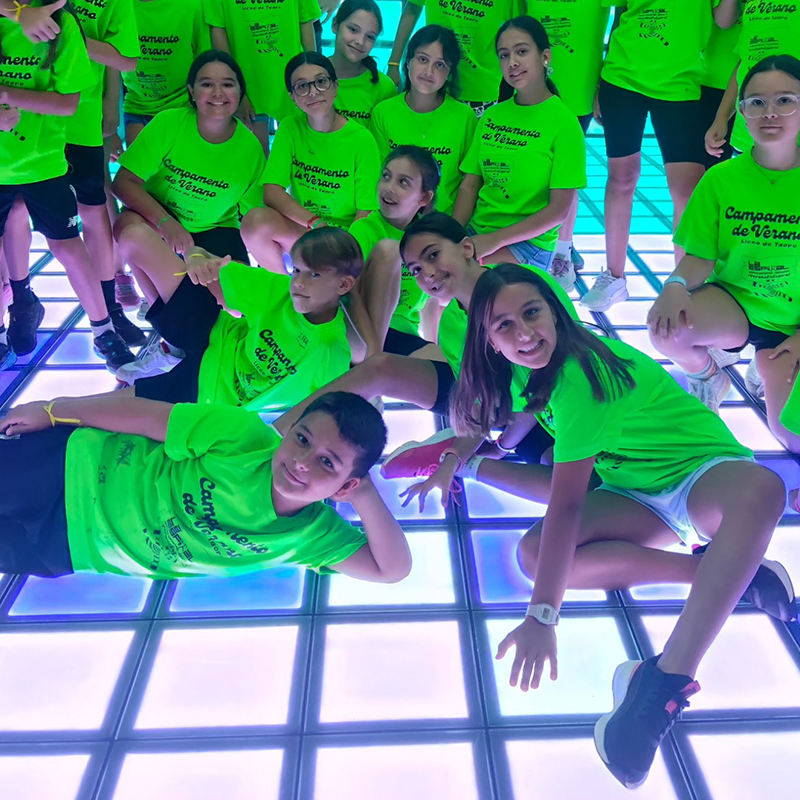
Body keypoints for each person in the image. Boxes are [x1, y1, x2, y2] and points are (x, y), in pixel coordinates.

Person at [449, 262, 794, 788]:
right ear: (490, 341)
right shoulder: (524, 371)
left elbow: (566, 505)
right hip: (631, 492)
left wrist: (543, 615)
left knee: (764, 489)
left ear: (555, 312)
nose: (523, 333)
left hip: (701, 473)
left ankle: (665, 682)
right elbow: (552, 467)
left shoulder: (578, 377)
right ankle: (733, 574)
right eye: (504, 326)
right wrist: (465, 460)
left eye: (532, 312)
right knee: (533, 556)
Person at [0, 389, 411, 585]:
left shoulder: (313, 537)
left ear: (346, 484)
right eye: (302, 438)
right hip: (67, 467)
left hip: (70, 547)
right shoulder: (244, 436)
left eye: (327, 462)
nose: (302, 461)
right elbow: (140, 414)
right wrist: (53, 411)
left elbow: (392, 569)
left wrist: (363, 493)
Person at [648, 56, 800, 490]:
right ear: (742, 112)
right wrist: (675, 284)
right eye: (756, 102)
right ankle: (710, 376)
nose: (770, 112)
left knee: (789, 434)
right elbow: (700, 255)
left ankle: (766, 365)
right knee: (665, 328)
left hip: (794, 322)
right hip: (738, 304)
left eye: (785, 100)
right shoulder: (721, 178)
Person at [112, 49, 266, 380]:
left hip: (216, 233)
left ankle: (172, 343)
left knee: (229, 314)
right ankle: (173, 343)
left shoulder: (251, 148)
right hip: (160, 225)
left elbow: (252, 215)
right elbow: (122, 183)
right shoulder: (170, 123)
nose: (218, 93)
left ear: (241, 92)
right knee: (129, 230)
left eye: (228, 84)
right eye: (207, 84)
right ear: (192, 91)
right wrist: (167, 225)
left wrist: (226, 267)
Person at [0, 0, 137, 371]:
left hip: (53, 149)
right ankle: (16, 310)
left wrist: (8, 94)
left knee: (74, 234)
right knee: (12, 226)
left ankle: (105, 321)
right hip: (11, 160)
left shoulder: (64, 24)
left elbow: (75, 98)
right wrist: (18, 13)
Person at [122, 227, 371, 413]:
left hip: (210, 392)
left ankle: (173, 356)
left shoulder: (331, 351)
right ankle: (173, 350)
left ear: (343, 285)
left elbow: (324, 414)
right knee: (134, 237)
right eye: (296, 270)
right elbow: (205, 259)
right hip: (213, 334)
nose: (299, 282)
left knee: (110, 414)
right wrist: (195, 257)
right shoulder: (281, 289)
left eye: (314, 275)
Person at [582, 0, 717, 312]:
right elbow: (619, 14)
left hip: (680, 82)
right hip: (622, 77)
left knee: (687, 193)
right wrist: (601, 80)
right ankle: (614, 276)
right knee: (621, 179)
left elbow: (722, 20)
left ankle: (685, 286)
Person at [453, 17, 586, 290]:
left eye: (521, 51)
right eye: (504, 55)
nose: (512, 62)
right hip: (478, 233)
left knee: (460, 279)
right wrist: (451, 235)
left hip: (529, 244)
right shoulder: (492, 115)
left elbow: (558, 211)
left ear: (545, 57)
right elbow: (469, 185)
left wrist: (494, 240)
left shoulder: (564, 123)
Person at [241, 51, 380, 274]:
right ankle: (282, 286)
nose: (313, 91)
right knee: (254, 222)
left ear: (335, 86)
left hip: (345, 237)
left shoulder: (362, 140)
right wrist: (315, 222)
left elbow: (366, 213)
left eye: (321, 81)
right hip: (306, 228)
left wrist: (343, 249)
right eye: (302, 86)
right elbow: (272, 192)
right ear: (292, 97)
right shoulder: (289, 128)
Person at [526, 0, 611, 280]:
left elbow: (621, 22)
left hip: (578, 89)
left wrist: (603, 85)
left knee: (565, 175)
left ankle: (563, 246)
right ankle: (543, 240)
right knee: (533, 169)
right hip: (530, 87)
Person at [370, 25, 476, 216]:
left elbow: (469, 183)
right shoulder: (383, 112)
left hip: (442, 223)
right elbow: (378, 177)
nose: (429, 71)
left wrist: (453, 229)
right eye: (423, 59)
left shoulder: (465, 117)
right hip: (392, 220)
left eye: (440, 65)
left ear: (449, 73)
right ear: (408, 61)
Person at [350, 145, 442, 356]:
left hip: (402, 335)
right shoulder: (364, 229)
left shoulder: (430, 239)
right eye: (386, 176)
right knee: (390, 250)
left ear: (424, 198)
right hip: (362, 333)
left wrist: (433, 347)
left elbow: (430, 302)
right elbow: (348, 295)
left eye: (403, 182)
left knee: (446, 370)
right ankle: (373, 362)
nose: (389, 187)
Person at [203, 0, 318, 153]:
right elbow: (217, 29)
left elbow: (305, 20)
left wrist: (312, 76)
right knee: (256, 156)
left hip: (292, 82)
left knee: (299, 151)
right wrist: (235, 90)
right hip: (247, 85)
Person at [387, 0, 523, 117]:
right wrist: (393, 63)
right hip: (430, 80)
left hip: (478, 89)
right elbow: (411, 9)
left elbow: (521, 32)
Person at [705, 0, 800, 157]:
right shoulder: (751, 5)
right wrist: (721, 117)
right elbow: (743, 66)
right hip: (747, 137)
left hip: (792, 139)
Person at [122, 0, 209, 145]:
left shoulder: (192, 6)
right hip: (137, 106)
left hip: (182, 107)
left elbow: (205, 62)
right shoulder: (121, 6)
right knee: (137, 159)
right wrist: (112, 132)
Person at [327, 0, 396, 128]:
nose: (360, 41)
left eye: (370, 37)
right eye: (353, 29)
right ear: (335, 25)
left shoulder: (384, 88)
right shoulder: (311, 78)